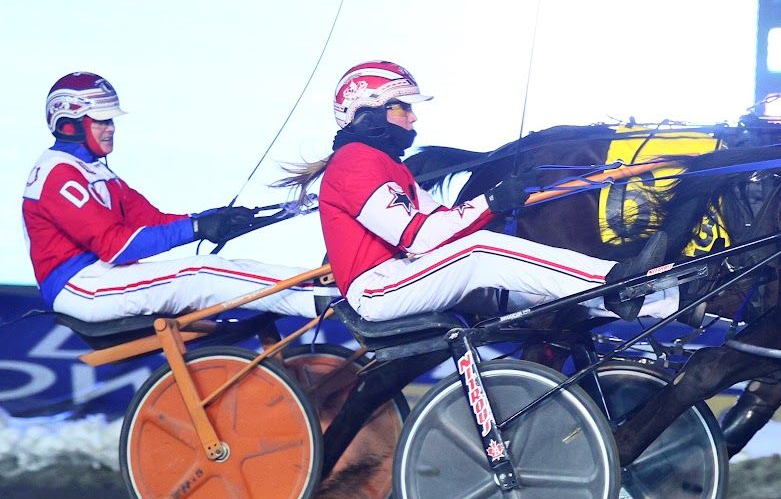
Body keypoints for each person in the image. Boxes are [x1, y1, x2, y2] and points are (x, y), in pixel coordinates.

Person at [302, 61, 675, 322]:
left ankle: (659, 300)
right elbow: (418, 237)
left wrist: (497, 199)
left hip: (401, 277)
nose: (413, 117)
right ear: (368, 113)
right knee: (481, 250)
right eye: (402, 108)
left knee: (515, 275)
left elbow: (439, 221)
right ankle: (614, 282)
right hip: (378, 291)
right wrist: (492, 201)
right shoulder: (353, 162)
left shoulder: (386, 164)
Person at [22, 72, 324, 322]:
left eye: (111, 121)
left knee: (219, 267)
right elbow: (115, 247)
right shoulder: (58, 174)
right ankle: (318, 300)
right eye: (101, 121)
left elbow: (153, 221)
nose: (111, 128)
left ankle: (318, 285)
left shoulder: (92, 169)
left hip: (101, 277)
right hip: (81, 287)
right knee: (203, 273)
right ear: (68, 124)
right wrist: (196, 229)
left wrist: (209, 219)